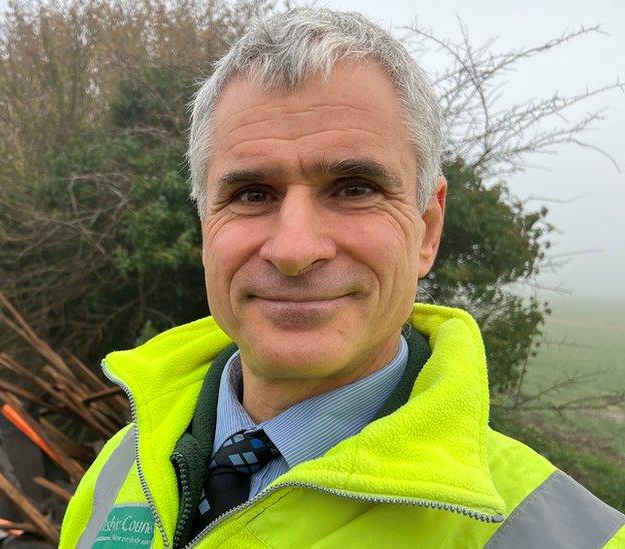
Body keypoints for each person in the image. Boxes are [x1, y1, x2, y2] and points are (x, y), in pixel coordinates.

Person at [59, 7, 625, 548]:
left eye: (355, 189)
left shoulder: (566, 536)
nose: (294, 250)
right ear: (207, 229)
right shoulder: (123, 463)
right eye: (252, 194)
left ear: (427, 229)